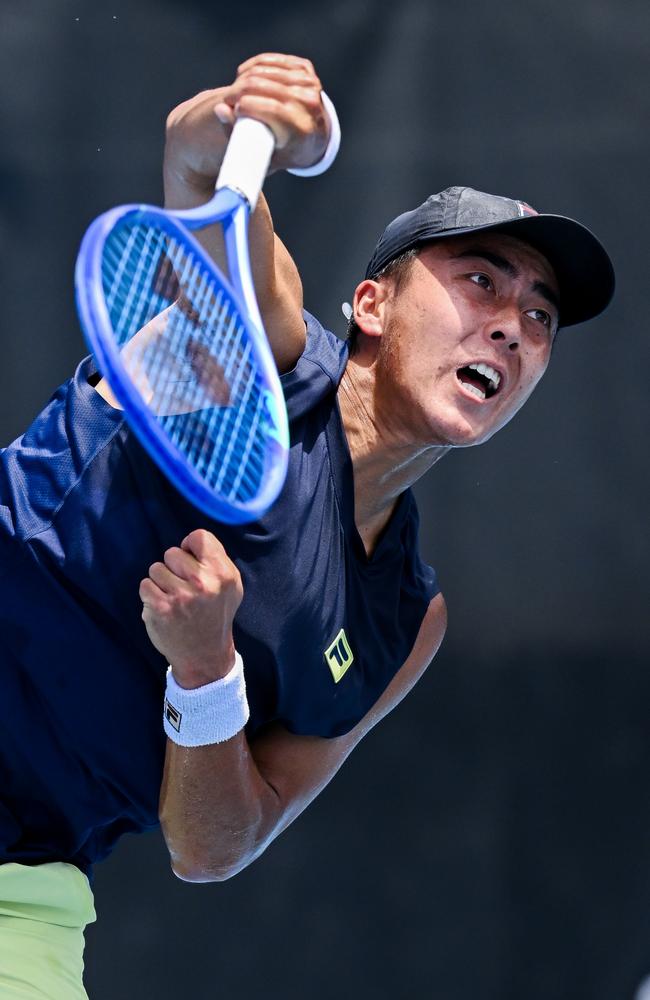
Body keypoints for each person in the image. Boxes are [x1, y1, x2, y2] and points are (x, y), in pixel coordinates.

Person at [0, 53, 614, 999]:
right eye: (481, 282)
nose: (512, 327)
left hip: (24, 891)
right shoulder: (269, 353)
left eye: (540, 317)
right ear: (372, 303)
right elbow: (201, 173)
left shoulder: (408, 621)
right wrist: (260, 118)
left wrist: (206, 673)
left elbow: (215, 846)